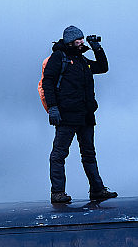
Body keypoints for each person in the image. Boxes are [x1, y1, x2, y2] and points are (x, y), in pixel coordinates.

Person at [41, 25, 117, 204]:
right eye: (79, 39)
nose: (82, 41)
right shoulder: (59, 58)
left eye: (82, 39)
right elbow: (48, 83)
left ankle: (97, 190)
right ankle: (57, 192)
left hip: (86, 115)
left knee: (89, 154)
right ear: (70, 41)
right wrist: (53, 108)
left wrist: (98, 49)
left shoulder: (82, 59)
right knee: (59, 154)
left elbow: (103, 67)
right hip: (66, 115)